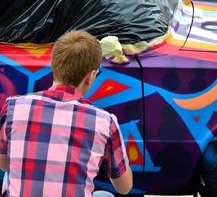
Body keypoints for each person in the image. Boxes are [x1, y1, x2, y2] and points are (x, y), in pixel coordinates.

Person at [0, 30, 132, 196]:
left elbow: (4, 164)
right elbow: (124, 187)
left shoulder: (13, 107)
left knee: (7, 177)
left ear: (54, 66)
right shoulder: (105, 121)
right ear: (91, 76)